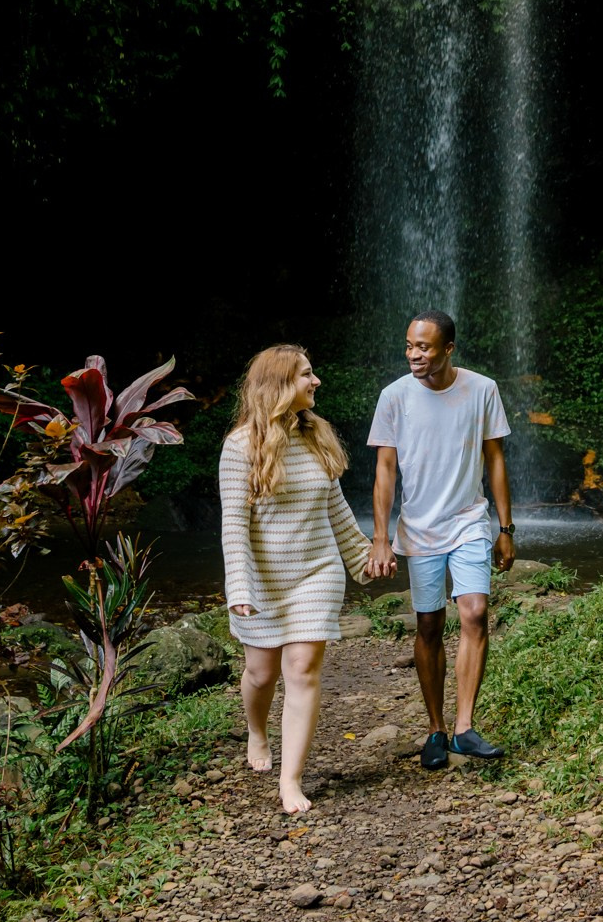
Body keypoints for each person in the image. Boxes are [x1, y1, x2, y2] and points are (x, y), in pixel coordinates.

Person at [220, 344, 371, 814]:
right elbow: (234, 527)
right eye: (307, 374)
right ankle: (257, 730)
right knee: (261, 674)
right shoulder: (240, 446)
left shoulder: (318, 437)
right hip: (263, 579)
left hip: (315, 572)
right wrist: (239, 589)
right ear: (281, 385)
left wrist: (364, 559)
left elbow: (337, 512)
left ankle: (291, 780)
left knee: (302, 669)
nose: (316, 381)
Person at [363, 310, 514, 769]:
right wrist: (381, 538)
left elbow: (495, 460)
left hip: (469, 520)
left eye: (424, 347)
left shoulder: (482, 389)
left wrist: (505, 529)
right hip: (420, 528)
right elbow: (385, 470)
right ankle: (436, 729)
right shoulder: (394, 397)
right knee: (429, 625)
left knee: (474, 612)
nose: (414, 355)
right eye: (409, 345)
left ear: (448, 349)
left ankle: (465, 728)